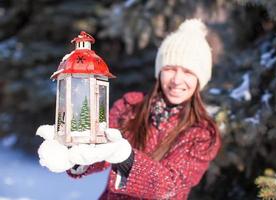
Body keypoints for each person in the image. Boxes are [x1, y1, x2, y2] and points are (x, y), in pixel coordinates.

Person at [37, 18, 221, 200]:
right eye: (170, 68)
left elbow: (171, 186)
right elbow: (100, 152)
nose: (177, 80)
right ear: (159, 71)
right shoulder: (130, 106)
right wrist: (74, 153)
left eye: (188, 72)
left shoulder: (203, 133)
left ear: (200, 79)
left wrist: (126, 157)